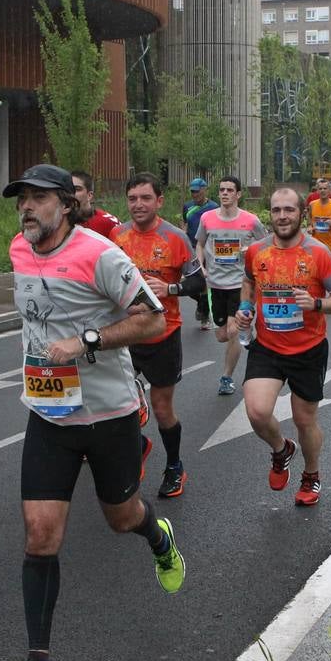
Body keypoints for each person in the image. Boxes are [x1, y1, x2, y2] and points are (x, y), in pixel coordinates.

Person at [2, 164, 185, 661]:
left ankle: (158, 537)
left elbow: (151, 318)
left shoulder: (100, 254)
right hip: (48, 414)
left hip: (109, 414)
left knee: (122, 518)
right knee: (40, 534)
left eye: (38, 198)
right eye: (22, 198)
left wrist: (85, 341)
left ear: (65, 204)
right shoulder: (18, 250)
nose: (27, 207)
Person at [233, 187, 331, 507]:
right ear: (269, 214)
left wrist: (316, 303)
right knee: (257, 412)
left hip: (308, 349)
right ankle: (281, 449)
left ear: (302, 214)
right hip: (267, 346)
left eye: (289, 210)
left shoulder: (318, 253)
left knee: (304, 420)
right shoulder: (256, 251)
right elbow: (248, 282)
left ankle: (311, 474)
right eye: (276, 210)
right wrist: (245, 307)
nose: (282, 216)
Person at [112, 173, 206, 499]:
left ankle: (174, 466)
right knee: (113, 402)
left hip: (163, 334)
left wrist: (170, 288)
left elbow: (199, 283)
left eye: (145, 198)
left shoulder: (175, 238)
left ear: (159, 201)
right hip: (125, 334)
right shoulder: (116, 236)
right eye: (132, 198)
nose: (138, 204)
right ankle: (138, 444)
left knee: (162, 409)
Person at [195, 175, 269, 395]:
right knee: (222, 335)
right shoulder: (207, 218)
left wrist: (251, 251)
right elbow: (200, 244)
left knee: (233, 330)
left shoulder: (251, 220)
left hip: (240, 284)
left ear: (238, 194)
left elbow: (266, 245)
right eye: (222, 190)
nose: (225, 193)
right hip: (215, 284)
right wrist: (201, 266)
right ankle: (246, 332)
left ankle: (226, 378)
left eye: (229, 190)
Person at [181, 177, 218, 330]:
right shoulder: (187, 206)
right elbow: (185, 225)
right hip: (191, 248)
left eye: (197, 191)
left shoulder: (214, 207)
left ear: (204, 190)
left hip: (207, 249)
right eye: (192, 192)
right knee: (190, 284)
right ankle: (200, 303)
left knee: (205, 283)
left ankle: (204, 315)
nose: (194, 194)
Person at [71, 170, 120, 239]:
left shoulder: (108, 223)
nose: (71, 193)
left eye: (77, 189)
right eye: (68, 189)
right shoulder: (59, 222)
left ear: (89, 195)